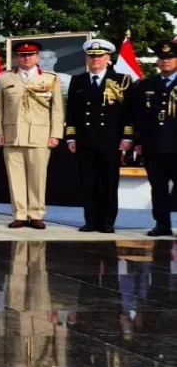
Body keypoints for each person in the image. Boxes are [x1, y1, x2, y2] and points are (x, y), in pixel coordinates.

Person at [0, 40, 64, 229]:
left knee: (37, 177)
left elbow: (57, 109)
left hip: (40, 135)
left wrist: (55, 134)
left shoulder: (50, 79)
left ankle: (36, 214)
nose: (26, 58)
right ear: (17, 57)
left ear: (37, 57)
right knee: (15, 177)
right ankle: (20, 214)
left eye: (30, 54)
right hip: (12, 134)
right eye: (22, 55)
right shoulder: (4, 78)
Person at [65, 38, 129, 233]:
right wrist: (71, 137)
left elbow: (128, 111)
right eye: (92, 56)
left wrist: (127, 137)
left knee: (108, 182)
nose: (95, 60)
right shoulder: (78, 80)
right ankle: (90, 221)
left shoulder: (121, 81)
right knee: (88, 182)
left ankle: (108, 221)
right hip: (85, 139)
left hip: (110, 140)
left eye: (99, 56)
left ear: (108, 58)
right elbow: (72, 112)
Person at [123, 39, 177, 236]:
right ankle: (162, 224)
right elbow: (138, 116)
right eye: (162, 58)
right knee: (158, 187)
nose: (165, 61)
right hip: (153, 145)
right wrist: (137, 141)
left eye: (170, 57)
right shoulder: (146, 85)